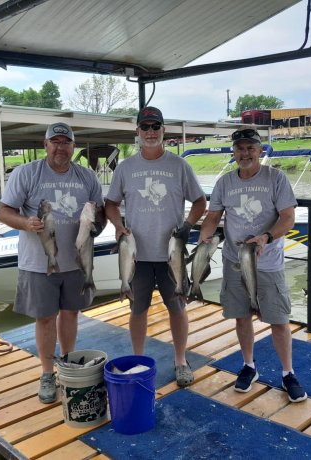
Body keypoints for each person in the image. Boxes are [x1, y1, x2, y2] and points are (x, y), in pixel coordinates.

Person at [0, 122, 106, 404]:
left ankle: (67, 363)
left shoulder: (87, 177)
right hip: (39, 262)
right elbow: (3, 211)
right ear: (45, 145)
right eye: (54, 142)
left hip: (77, 261)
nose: (60, 147)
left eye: (66, 142)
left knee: (70, 314)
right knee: (45, 317)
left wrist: (95, 226)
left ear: (73, 147)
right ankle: (47, 373)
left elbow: (101, 213)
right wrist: (25, 222)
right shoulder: (27, 173)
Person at [197, 128, 307, 403]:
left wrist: (266, 237)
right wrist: (204, 238)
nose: (244, 153)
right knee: (241, 316)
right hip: (235, 260)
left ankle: (288, 372)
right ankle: (249, 366)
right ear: (233, 152)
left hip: (268, 262)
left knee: (279, 320)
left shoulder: (276, 178)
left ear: (260, 151)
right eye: (240, 148)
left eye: (250, 148)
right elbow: (213, 216)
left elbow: (288, 217)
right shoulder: (224, 183)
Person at [105, 106, 206, 387]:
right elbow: (110, 203)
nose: (150, 132)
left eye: (155, 126)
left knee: (177, 308)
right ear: (137, 132)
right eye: (145, 127)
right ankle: (138, 359)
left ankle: (180, 360)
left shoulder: (179, 166)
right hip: (136, 256)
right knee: (137, 310)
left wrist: (187, 226)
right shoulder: (125, 168)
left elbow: (200, 202)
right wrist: (118, 226)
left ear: (164, 131)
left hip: (170, 254)